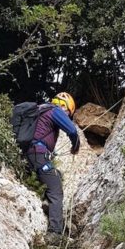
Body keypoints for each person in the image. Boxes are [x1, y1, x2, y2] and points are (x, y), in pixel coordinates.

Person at [24, 92, 80, 238]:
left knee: (56, 176)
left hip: (31, 154)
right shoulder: (55, 110)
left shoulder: (41, 109)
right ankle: (55, 233)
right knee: (56, 189)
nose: (67, 115)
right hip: (38, 154)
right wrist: (76, 145)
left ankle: (45, 207)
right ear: (64, 106)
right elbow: (72, 131)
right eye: (68, 112)